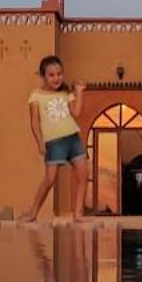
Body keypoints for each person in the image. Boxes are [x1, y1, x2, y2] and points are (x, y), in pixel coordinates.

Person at [22, 54, 88, 220]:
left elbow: (77, 113)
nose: (56, 78)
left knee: (83, 176)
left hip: (73, 138)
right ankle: (33, 212)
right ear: (43, 76)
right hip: (54, 142)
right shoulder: (36, 96)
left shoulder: (66, 93)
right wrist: (40, 143)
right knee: (50, 180)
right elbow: (35, 122)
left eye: (59, 74)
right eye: (51, 75)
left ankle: (78, 213)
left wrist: (79, 92)